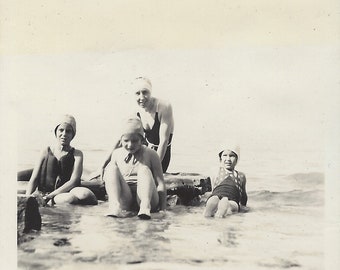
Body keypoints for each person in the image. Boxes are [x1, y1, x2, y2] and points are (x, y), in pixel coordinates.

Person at [25, 114, 98, 205]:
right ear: (56, 131)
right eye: (61, 130)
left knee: (86, 194)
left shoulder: (77, 154)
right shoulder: (45, 151)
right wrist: (27, 198)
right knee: (70, 199)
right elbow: (34, 178)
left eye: (68, 131)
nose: (64, 134)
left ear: (73, 134)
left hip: (63, 192)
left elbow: (74, 181)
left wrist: (50, 196)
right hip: (46, 193)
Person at [104, 117, 167, 219]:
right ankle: (115, 206)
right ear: (120, 140)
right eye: (126, 141)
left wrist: (163, 209)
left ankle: (145, 207)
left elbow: (160, 183)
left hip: (147, 197)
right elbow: (112, 180)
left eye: (134, 141)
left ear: (142, 139)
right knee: (111, 168)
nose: (130, 145)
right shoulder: (116, 153)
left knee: (144, 169)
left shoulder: (151, 154)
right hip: (126, 197)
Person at [203, 144, 247, 218]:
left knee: (221, 202)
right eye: (225, 155)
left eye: (232, 156)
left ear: (237, 159)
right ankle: (219, 208)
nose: (228, 159)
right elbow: (243, 198)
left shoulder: (240, 175)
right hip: (223, 197)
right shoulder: (217, 172)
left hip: (227, 197)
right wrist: (244, 208)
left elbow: (244, 197)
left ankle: (217, 207)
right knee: (224, 203)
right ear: (220, 158)